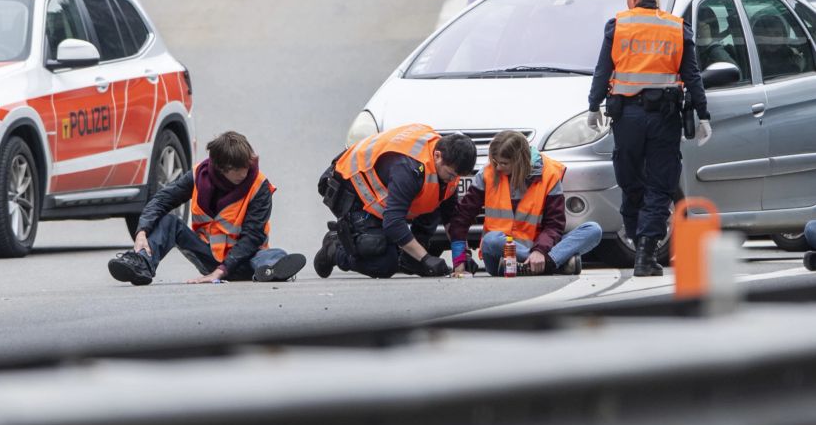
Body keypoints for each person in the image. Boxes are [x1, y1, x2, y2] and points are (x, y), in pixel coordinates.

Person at [586, 0, 711, 276]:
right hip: (664, 120)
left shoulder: (618, 26)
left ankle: (637, 237)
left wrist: (593, 105)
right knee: (660, 185)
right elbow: (692, 75)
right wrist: (703, 114)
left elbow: (603, 70)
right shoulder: (677, 27)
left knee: (630, 182)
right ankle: (645, 250)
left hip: (626, 118)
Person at [107, 131, 306, 285]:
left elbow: (252, 237)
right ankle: (142, 264)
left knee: (269, 256)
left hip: (246, 258)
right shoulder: (197, 176)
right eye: (238, 170)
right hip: (209, 256)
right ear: (221, 168)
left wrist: (221, 272)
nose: (246, 172)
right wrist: (142, 231)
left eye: (247, 166)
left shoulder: (259, 186)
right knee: (169, 222)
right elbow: (161, 200)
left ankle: (271, 270)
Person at [314, 124, 476, 279]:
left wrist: (461, 258)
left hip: (387, 195)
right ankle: (335, 248)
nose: (453, 180)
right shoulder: (408, 168)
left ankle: (411, 261)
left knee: (436, 197)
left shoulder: (445, 166)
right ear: (437, 156)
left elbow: (453, 221)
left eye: (457, 176)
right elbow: (393, 223)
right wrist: (426, 258)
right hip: (352, 190)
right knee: (383, 262)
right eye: (451, 174)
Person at [449, 130, 602, 277]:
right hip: (500, 255)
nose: (497, 167)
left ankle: (533, 266)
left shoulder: (549, 175)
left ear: (520, 162)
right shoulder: (487, 174)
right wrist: (459, 260)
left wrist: (540, 251)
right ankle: (551, 263)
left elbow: (554, 225)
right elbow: (461, 219)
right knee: (490, 240)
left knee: (593, 230)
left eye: (504, 163)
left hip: (540, 249)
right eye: (495, 161)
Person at [750, 14, 804, 79]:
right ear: (756, 36)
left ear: (784, 36)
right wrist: (797, 67)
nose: (773, 39)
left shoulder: (790, 55)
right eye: (767, 34)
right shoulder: (750, 58)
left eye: (777, 34)